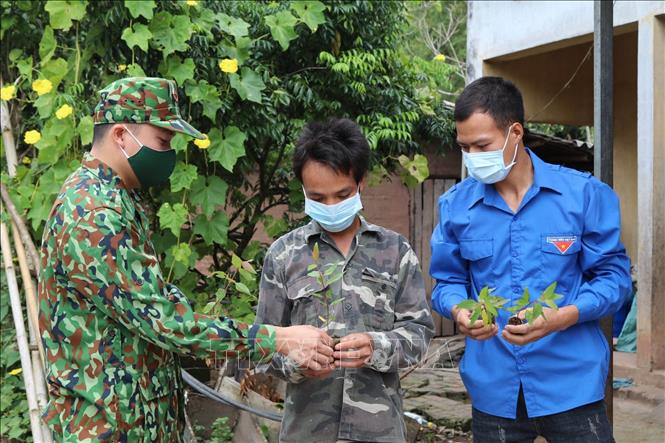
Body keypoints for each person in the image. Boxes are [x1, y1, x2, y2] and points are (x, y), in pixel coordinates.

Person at [37, 77, 334, 442]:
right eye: (163, 141)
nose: (169, 153)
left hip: (132, 423)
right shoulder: (94, 213)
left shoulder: (114, 199)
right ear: (120, 135)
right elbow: (166, 323)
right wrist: (276, 338)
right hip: (108, 430)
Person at [430, 77, 631, 443]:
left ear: (515, 133)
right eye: (464, 147)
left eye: (482, 145)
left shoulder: (583, 195)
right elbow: (447, 282)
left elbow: (614, 280)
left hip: (572, 384)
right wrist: (460, 310)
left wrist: (563, 317)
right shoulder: (456, 206)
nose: (473, 158)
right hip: (494, 389)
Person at [256, 118, 434, 443]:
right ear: (303, 190)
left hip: (379, 431)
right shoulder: (283, 256)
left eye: (342, 194)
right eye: (318, 198)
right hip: (307, 431)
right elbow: (263, 343)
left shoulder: (395, 251)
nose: (332, 207)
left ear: (361, 182)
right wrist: (298, 362)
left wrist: (376, 347)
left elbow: (419, 334)